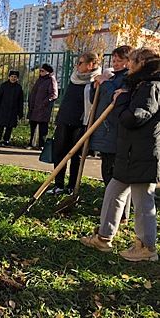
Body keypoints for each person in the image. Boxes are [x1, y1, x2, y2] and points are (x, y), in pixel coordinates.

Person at [80, 47, 160, 262]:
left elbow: (134, 118)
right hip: (130, 152)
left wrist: (122, 99)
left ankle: (146, 247)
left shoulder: (151, 87)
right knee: (114, 191)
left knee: (143, 200)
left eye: (132, 62)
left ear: (141, 63)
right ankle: (103, 237)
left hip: (143, 154)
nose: (129, 66)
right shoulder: (141, 85)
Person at [89, 45, 133, 223]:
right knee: (107, 171)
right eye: (113, 60)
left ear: (129, 62)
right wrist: (96, 86)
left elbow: (115, 101)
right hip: (105, 132)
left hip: (114, 132)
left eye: (119, 61)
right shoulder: (114, 77)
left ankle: (119, 212)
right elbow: (96, 100)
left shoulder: (128, 80)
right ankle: (112, 208)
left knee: (114, 175)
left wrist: (105, 83)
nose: (115, 64)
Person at [46, 52, 102, 195]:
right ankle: (58, 185)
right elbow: (66, 99)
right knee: (59, 153)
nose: (77, 66)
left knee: (76, 156)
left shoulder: (97, 81)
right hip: (65, 120)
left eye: (80, 63)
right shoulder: (74, 78)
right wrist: (59, 118)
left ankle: (72, 186)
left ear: (90, 65)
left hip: (81, 123)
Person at [27, 63, 58, 149]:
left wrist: (44, 103)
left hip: (43, 108)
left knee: (43, 127)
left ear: (47, 72)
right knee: (33, 125)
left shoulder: (51, 80)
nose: (41, 72)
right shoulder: (40, 80)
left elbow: (54, 94)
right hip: (35, 107)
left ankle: (42, 145)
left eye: (42, 71)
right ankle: (31, 143)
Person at [0, 70, 24, 146]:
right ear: (9, 77)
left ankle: (6, 140)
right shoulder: (4, 86)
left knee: (9, 127)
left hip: (13, 110)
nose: (13, 78)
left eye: (15, 77)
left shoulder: (19, 88)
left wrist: (20, 112)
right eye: (12, 77)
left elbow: (21, 101)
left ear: (17, 78)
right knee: (0, 125)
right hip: (3, 109)